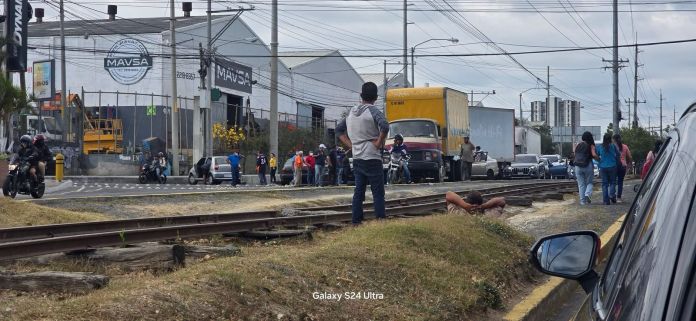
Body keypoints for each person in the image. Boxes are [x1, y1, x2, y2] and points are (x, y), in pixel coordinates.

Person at [336, 82, 389, 225]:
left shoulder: (351, 112)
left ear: (361, 96)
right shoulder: (373, 111)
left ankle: (356, 221)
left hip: (357, 157)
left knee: (359, 191)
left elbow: (339, 131)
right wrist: (378, 143)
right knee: (377, 192)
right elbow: (384, 125)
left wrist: (351, 145)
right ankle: (380, 220)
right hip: (372, 156)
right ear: (376, 97)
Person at [573, 131, 599, 205]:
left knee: (581, 184)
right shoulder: (591, 145)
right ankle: (587, 194)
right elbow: (594, 155)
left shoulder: (578, 144)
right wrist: (599, 159)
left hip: (578, 166)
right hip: (588, 165)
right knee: (589, 183)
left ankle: (582, 201)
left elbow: (574, 153)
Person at [596, 133, 621, 205]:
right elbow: (618, 154)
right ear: (610, 139)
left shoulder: (600, 146)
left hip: (603, 167)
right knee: (613, 182)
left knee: (604, 184)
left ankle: (606, 200)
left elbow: (596, 155)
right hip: (613, 166)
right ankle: (612, 195)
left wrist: (600, 161)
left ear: (603, 139)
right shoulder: (613, 146)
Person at [613, 134, 632, 203]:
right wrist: (629, 164)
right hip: (623, 166)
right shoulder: (625, 146)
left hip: (614, 166)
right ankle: (619, 198)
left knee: (613, 181)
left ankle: (612, 196)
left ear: (614, 139)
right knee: (620, 182)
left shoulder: (612, 147)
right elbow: (630, 157)